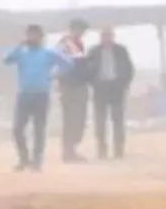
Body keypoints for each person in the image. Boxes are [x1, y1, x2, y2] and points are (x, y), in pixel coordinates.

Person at [3, 24, 71, 172]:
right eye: (29, 35)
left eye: (34, 35)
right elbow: (6, 60)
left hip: (41, 94)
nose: (31, 38)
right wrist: (19, 45)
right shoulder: (21, 53)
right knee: (17, 128)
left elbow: (67, 63)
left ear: (40, 38)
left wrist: (55, 76)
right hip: (24, 94)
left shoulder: (48, 53)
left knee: (39, 129)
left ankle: (37, 161)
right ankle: (24, 158)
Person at [86, 26, 135, 160]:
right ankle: (102, 150)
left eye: (109, 35)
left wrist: (124, 83)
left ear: (113, 36)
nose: (107, 38)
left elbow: (129, 69)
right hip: (100, 88)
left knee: (118, 120)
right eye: (104, 35)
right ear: (100, 37)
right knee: (100, 121)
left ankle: (118, 150)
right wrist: (94, 83)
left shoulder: (121, 51)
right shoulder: (93, 52)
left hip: (116, 88)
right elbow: (87, 70)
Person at [56, 18, 93, 163]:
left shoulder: (78, 44)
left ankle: (71, 149)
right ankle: (68, 152)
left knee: (79, 120)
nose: (81, 32)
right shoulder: (66, 43)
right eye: (79, 29)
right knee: (71, 120)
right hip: (70, 86)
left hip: (78, 85)